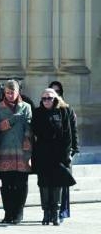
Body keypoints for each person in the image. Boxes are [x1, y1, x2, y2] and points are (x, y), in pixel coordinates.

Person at [31, 88, 75, 226]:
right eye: (44, 98)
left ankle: (55, 213)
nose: (46, 101)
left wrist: (67, 154)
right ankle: (46, 213)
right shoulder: (37, 112)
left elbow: (68, 135)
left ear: (55, 99)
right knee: (43, 184)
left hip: (58, 154)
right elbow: (35, 131)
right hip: (42, 153)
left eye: (49, 98)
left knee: (56, 184)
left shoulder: (63, 112)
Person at [0, 79, 33, 224]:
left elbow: (30, 127)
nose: (10, 95)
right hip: (4, 150)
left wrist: (28, 147)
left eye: (13, 92)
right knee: (7, 184)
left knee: (21, 183)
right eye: (8, 93)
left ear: (18, 92)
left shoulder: (26, 107)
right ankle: (8, 213)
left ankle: (18, 212)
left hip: (22, 152)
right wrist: (8, 122)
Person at [49, 80, 79, 221]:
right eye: (52, 92)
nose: (55, 95)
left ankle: (63, 211)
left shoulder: (68, 110)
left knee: (64, 182)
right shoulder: (44, 111)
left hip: (66, 153)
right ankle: (51, 210)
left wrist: (73, 151)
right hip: (51, 154)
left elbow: (74, 132)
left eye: (58, 92)